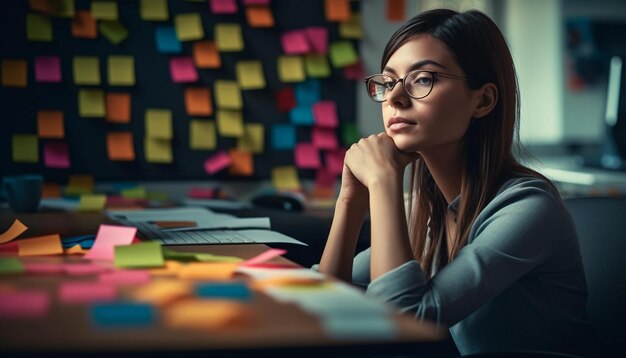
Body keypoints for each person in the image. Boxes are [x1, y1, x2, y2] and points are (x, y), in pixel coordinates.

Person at [317, 8, 596, 356]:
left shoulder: (529, 208)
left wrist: (384, 179)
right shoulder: (428, 210)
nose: (394, 98)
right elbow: (321, 303)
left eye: (423, 78)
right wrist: (350, 198)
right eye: (387, 82)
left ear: (483, 100)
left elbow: (400, 324)